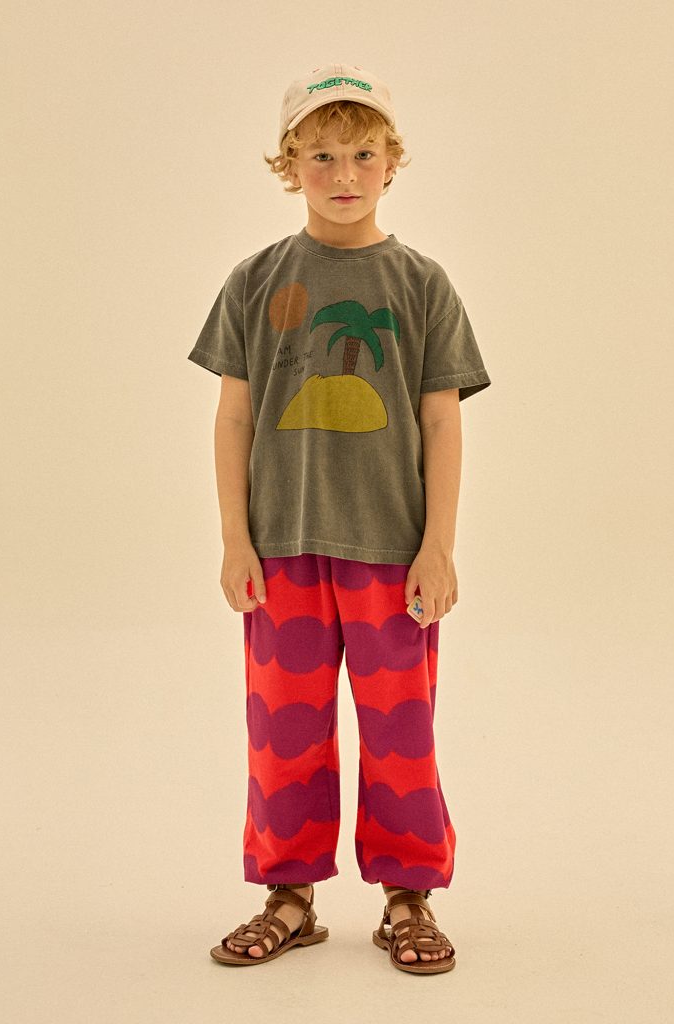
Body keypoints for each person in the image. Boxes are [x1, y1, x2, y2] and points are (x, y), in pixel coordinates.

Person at [187, 63, 491, 974]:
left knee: (402, 734)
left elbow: (442, 421)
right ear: (289, 165)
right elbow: (233, 417)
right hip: (281, 552)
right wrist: (235, 539)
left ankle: (408, 898)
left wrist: (438, 548)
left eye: (362, 154)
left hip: (392, 556)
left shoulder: (421, 283)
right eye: (321, 155)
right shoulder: (256, 279)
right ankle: (289, 896)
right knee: (284, 732)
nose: (344, 173)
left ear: (392, 162)